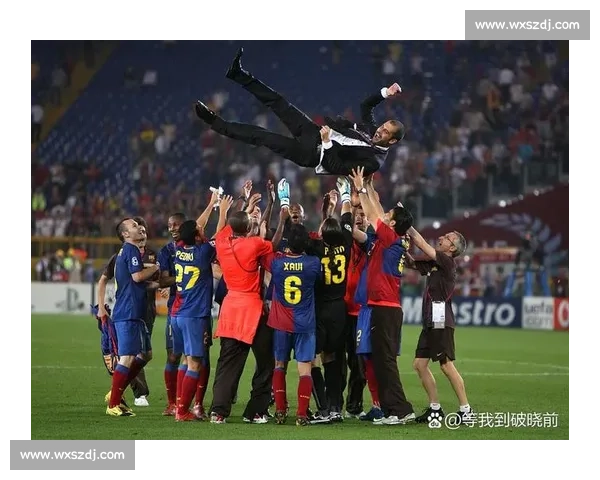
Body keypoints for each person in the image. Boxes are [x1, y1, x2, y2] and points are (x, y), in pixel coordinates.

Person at [194, 47, 404, 176]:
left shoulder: (373, 162)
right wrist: (386, 92)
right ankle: (238, 74)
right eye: (383, 126)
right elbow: (366, 106)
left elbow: (337, 167)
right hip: (314, 131)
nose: (380, 130)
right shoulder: (372, 130)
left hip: (311, 154)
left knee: (262, 136)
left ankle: (214, 122)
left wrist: (327, 142)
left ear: (393, 141)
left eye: (386, 132)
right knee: (278, 102)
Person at [349, 167, 415, 425]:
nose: (384, 215)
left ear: (393, 223)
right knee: (381, 361)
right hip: (384, 306)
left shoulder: (390, 237)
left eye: (389, 215)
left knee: (385, 362)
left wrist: (361, 188)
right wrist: (369, 185)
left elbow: (373, 214)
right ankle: (391, 409)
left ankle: (400, 410)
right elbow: (376, 209)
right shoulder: (389, 239)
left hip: (384, 307)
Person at [208, 200, 277, 424]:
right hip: (253, 310)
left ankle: (218, 411)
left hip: (230, 309)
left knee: (227, 363)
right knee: (266, 362)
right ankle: (255, 411)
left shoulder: (222, 243)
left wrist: (228, 211)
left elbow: (224, 229)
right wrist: (278, 220)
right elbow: (271, 245)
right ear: (248, 228)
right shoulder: (254, 244)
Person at [404, 226, 474, 424]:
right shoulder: (436, 263)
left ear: (452, 248)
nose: (442, 237)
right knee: (419, 364)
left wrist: (407, 226)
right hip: (430, 320)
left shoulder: (446, 261)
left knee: (446, 365)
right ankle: (435, 408)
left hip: (441, 321)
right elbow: (411, 263)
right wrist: (402, 247)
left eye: (448, 237)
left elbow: (421, 243)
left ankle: (466, 410)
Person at [261, 223, 322, 426]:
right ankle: (301, 414)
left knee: (279, 365)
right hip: (305, 324)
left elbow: (266, 249)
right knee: (305, 369)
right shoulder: (313, 263)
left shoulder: (277, 262)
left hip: (281, 323)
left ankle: (280, 410)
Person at [96, 216, 158, 408]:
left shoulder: (131, 251)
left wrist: (162, 283)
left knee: (146, 354)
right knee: (128, 357)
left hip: (137, 313)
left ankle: (117, 390)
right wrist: (157, 268)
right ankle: (114, 404)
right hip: (128, 312)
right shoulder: (130, 250)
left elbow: (136, 283)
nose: (139, 227)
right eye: (134, 225)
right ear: (125, 234)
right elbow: (137, 277)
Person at [170, 215, 224, 421]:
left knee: (186, 359)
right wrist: (222, 212)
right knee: (195, 363)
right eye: (199, 229)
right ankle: (183, 411)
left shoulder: (179, 249)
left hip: (177, 314)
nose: (202, 228)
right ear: (196, 235)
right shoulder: (202, 253)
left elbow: (191, 231)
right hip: (194, 315)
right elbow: (219, 236)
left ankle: (179, 406)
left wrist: (210, 207)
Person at [341, 201, 368, 419]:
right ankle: (332, 405)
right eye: (356, 214)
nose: (359, 218)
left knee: (360, 366)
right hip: (341, 312)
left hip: (362, 315)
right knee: (337, 363)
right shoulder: (343, 241)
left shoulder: (373, 244)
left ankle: (353, 407)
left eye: (363, 215)